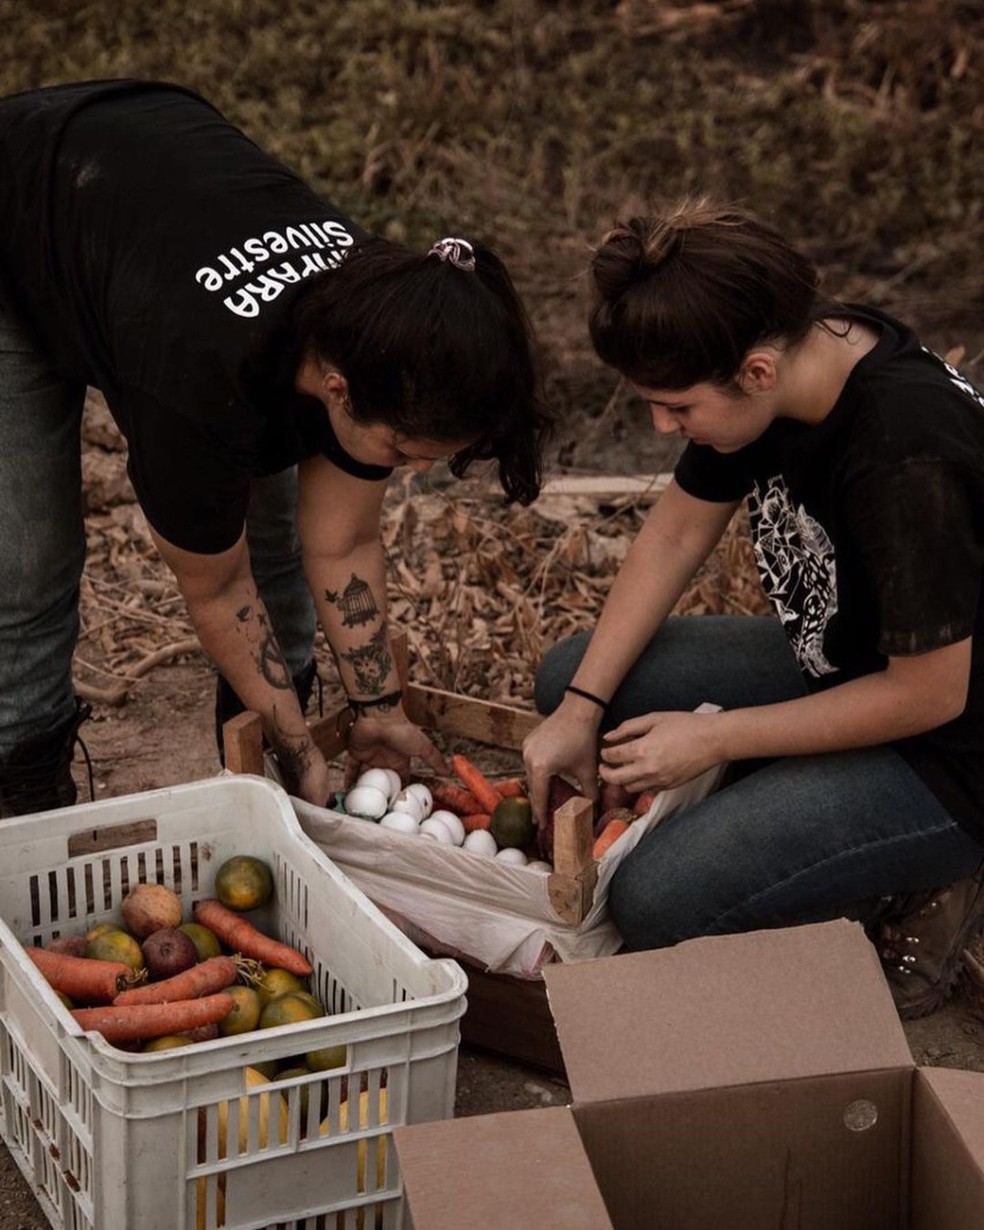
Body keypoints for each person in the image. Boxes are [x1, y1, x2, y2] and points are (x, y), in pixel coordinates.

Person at [0, 79, 548, 818]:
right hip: (20, 209)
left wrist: (376, 706)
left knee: (281, 540)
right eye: (404, 449)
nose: (414, 469)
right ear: (336, 388)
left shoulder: (390, 323)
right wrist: (299, 742)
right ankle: (26, 804)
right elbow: (218, 590)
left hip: (152, 179)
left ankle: (255, 777)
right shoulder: (196, 387)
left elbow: (342, 541)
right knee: (30, 567)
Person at [523, 199, 984, 1018]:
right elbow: (671, 537)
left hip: (952, 747)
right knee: (570, 680)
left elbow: (931, 696)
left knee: (660, 902)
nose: (665, 426)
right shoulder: (788, 352)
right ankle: (801, 808)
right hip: (849, 660)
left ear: (758, 373)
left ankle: (928, 874)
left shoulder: (906, 457)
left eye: (678, 407)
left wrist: (716, 737)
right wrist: (584, 706)